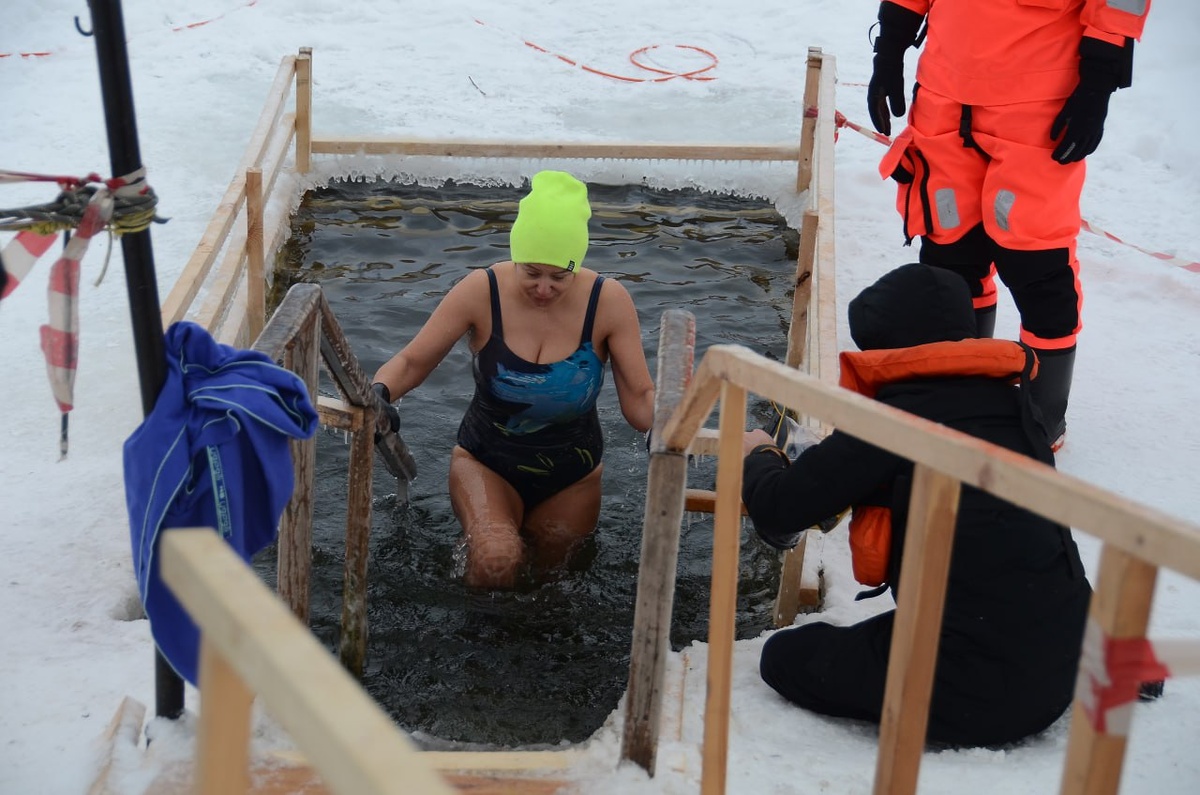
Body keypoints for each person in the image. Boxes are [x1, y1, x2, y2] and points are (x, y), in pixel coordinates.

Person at [740, 262, 1091, 747]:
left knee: (786, 656)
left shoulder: (895, 421)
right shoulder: (1015, 406)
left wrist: (758, 455)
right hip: (1065, 654)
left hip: (977, 691)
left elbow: (778, 511)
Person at [866, 0, 1152, 449]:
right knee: (949, 257)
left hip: (1037, 114)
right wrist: (890, 49)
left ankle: (1040, 422)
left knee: (1037, 267)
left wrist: (1098, 82)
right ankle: (958, 399)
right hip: (942, 99)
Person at [371, 170, 655, 590]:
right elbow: (413, 361)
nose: (543, 288)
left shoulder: (608, 302)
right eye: (532, 272)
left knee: (551, 587)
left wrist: (677, 415)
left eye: (559, 276)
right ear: (515, 257)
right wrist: (378, 394)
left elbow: (639, 400)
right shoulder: (481, 289)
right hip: (486, 463)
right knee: (495, 559)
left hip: (572, 478)